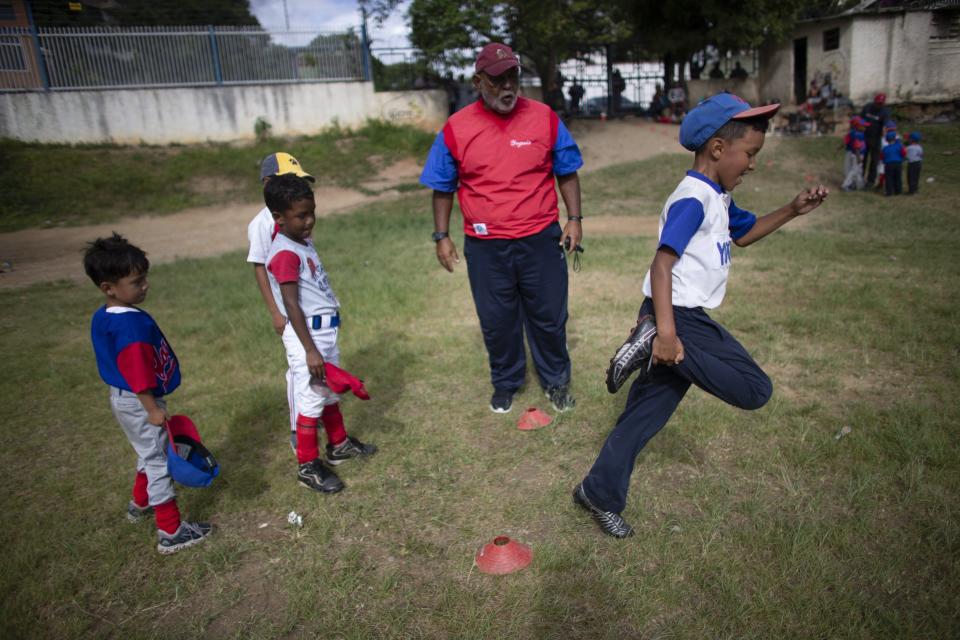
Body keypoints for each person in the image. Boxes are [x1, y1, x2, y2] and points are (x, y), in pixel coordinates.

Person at [572, 93, 828, 538]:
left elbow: (744, 235)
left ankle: (597, 492)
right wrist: (667, 335)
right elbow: (661, 264)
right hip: (677, 318)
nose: (751, 164)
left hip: (673, 316)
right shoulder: (693, 198)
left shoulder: (718, 198)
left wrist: (792, 209)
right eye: (749, 154)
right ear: (716, 149)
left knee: (642, 418)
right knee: (754, 389)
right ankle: (651, 341)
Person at [419, 42, 584, 414]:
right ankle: (506, 382)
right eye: (497, 80)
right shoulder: (457, 128)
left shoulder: (544, 118)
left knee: (549, 316)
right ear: (479, 82)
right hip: (485, 244)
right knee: (497, 320)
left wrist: (574, 219)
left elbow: (567, 171)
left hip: (540, 238)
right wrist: (442, 236)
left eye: (512, 77)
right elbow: (442, 187)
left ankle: (557, 382)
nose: (507, 87)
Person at [84, 234, 213, 554]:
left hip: (122, 399)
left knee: (147, 452)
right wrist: (152, 408)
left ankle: (139, 505)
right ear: (108, 287)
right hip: (138, 400)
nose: (145, 286)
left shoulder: (106, 314)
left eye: (144, 278)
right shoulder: (130, 326)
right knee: (158, 460)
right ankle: (170, 531)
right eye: (136, 281)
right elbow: (137, 372)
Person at [264, 174, 378, 494]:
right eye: (301, 215)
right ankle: (308, 465)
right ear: (279, 219)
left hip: (322, 333)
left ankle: (338, 445)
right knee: (311, 399)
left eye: (312, 211)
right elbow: (290, 304)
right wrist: (310, 350)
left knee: (328, 392)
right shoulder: (285, 252)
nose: (310, 220)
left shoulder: (301, 241)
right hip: (306, 339)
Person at [248, 152, 315, 453]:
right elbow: (259, 266)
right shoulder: (262, 224)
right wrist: (275, 312)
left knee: (310, 364)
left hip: (305, 308)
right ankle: (295, 427)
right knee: (298, 367)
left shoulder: (297, 217)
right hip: (287, 311)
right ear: (267, 184)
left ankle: (312, 414)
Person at [860, 93, 891, 186]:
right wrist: (861, 126)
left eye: (881, 104)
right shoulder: (867, 107)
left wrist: (884, 131)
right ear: (874, 101)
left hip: (876, 139)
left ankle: (871, 180)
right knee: (862, 159)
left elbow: (885, 125)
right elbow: (860, 119)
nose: (878, 105)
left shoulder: (885, 112)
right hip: (864, 136)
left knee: (874, 161)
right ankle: (859, 177)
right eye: (877, 103)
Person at [841, 116, 867, 192]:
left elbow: (846, 141)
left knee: (858, 170)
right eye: (863, 126)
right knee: (854, 170)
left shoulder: (853, 133)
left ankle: (859, 185)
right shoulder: (859, 135)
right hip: (857, 155)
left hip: (854, 154)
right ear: (858, 126)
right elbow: (857, 147)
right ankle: (846, 185)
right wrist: (859, 157)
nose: (865, 128)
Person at [882, 130, 906, 196]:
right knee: (898, 177)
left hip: (888, 164)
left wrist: (884, 161)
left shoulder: (885, 148)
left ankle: (889, 192)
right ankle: (898, 191)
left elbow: (882, 157)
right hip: (898, 163)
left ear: (886, 140)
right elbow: (903, 153)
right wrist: (902, 158)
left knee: (889, 178)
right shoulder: (899, 146)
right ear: (895, 139)